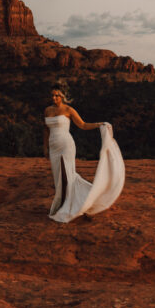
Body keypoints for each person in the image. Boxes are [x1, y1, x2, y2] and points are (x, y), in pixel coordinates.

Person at [43, 83, 125, 222]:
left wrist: (99, 124)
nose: (54, 98)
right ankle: (64, 203)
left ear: (62, 96)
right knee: (58, 176)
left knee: (68, 174)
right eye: (52, 95)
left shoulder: (69, 109)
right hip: (53, 146)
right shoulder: (47, 110)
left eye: (57, 95)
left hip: (66, 145)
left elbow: (83, 125)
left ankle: (78, 203)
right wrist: (45, 147)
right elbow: (45, 129)